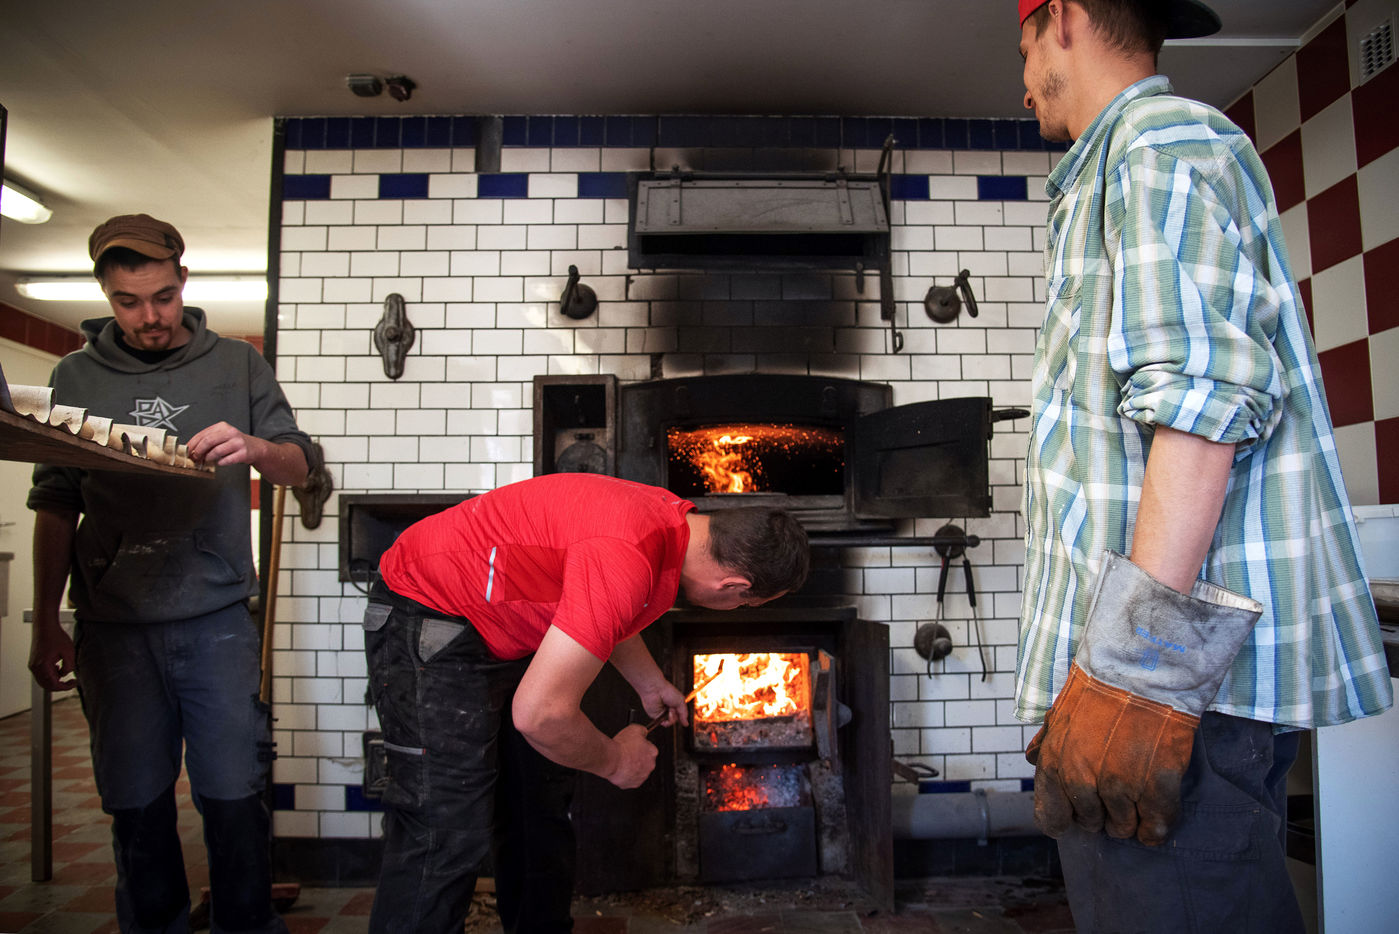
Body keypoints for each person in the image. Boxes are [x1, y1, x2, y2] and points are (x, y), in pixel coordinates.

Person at [1012, 2, 1394, 931]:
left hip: (1169, 688)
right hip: (1152, 673)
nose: (1021, 83)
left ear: (1062, 17)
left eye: (1021, 47)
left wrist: (1132, 678)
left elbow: (1200, 406)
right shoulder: (1129, 156)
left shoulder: (1157, 141)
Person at [362, 473, 809, 933]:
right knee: (444, 827)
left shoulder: (673, 523)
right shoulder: (629, 554)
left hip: (501, 621)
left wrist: (649, 683)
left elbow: (602, 602)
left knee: (537, 803)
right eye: (746, 605)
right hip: (430, 612)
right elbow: (540, 716)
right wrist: (615, 761)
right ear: (732, 585)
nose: (739, 609)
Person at [27, 213, 312, 934]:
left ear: (184, 279)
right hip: (113, 625)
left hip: (216, 618)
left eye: (162, 296)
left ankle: (246, 925)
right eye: (128, 302)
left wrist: (256, 447)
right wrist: (47, 622)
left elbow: (300, 466)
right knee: (134, 801)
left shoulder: (236, 365)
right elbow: (55, 504)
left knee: (233, 793)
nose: (149, 317)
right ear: (105, 293)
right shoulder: (73, 375)